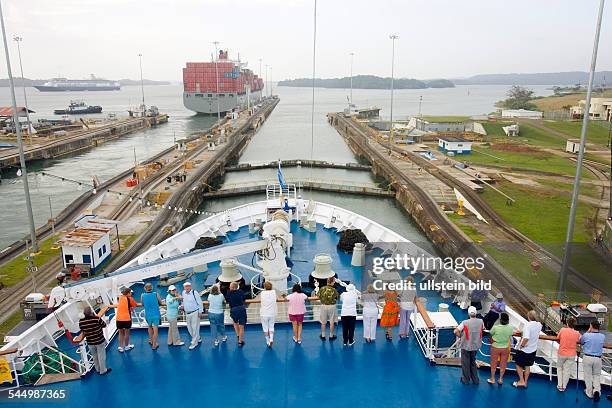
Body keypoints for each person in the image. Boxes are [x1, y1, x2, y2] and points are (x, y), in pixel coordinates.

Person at [74, 306, 111, 375]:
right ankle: (103, 370)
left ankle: (97, 369)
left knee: (94, 356)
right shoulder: (96, 319)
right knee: (101, 355)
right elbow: (104, 325)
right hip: (99, 340)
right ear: (91, 313)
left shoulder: (81, 321)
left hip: (90, 341)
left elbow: (82, 329)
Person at [454, 306, 484, 385]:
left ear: (468, 313)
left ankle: (465, 380)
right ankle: (475, 380)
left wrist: (461, 336)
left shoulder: (465, 322)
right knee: (473, 362)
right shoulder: (481, 321)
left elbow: (455, 331)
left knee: (465, 363)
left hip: (466, 346)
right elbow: (482, 329)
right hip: (476, 346)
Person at [513, 310, 542, 388]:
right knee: (527, 366)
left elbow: (526, 338)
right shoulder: (539, 325)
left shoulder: (527, 325)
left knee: (518, 365)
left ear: (529, 317)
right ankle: (525, 382)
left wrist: (521, 346)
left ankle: (521, 381)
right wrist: (523, 332)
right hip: (533, 349)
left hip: (525, 350)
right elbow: (532, 332)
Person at [580, 320, 605, 401]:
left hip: (588, 357)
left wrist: (588, 331)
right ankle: (597, 390)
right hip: (598, 358)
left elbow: (581, 341)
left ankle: (589, 392)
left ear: (591, 326)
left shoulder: (586, 335)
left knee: (588, 376)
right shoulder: (602, 336)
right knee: (597, 375)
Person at [111, 287, 141, 352]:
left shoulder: (120, 297)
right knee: (127, 333)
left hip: (119, 319)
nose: (131, 294)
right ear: (128, 293)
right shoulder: (130, 298)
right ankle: (127, 346)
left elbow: (124, 305)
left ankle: (120, 347)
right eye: (130, 293)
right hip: (127, 318)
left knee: (120, 333)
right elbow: (135, 305)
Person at [554, 317, 580, 392]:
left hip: (562, 353)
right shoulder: (577, 333)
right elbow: (579, 340)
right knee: (567, 370)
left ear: (567, 323)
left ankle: (559, 385)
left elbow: (558, 337)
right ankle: (564, 386)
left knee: (559, 368)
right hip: (572, 354)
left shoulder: (563, 330)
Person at [488, 312, 514, 385]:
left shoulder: (495, 327)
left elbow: (491, 333)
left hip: (495, 347)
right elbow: (511, 333)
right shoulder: (510, 328)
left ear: (500, 320)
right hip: (505, 348)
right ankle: (500, 379)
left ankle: (492, 379)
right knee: (503, 364)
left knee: (493, 363)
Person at [140, 283, 164, 350]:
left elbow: (142, 304)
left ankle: (151, 340)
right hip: (156, 314)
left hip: (148, 314)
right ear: (152, 287)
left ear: (145, 288)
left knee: (150, 327)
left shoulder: (142, 295)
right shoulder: (156, 294)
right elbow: (161, 303)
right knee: (155, 330)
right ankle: (154, 345)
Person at [181, 282, 203, 350]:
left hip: (195, 313)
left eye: (188, 286)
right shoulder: (183, 292)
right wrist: (182, 306)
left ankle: (194, 343)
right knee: (189, 328)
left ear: (190, 286)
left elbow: (200, 302)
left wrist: (200, 312)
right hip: (187, 313)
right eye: (186, 286)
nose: (187, 288)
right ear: (184, 287)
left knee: (195, 328)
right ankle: (198, 338)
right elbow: (183, 301)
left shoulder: (195, 292)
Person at [260, 281, 281, 348]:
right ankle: (271, 339)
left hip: (264, 313)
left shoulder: (262, 293)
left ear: (264, 287)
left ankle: (267, 341)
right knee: (271, 326)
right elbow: (277, 299)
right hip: (272, 313)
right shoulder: (273, 292)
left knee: (265, 327)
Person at [226, 282, 247, 347]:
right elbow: (244, 299)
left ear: (232, 287)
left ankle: (238, 335)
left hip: (233, 310)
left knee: (235, 323)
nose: (229, 287)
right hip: (241, 309)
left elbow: (227, 300)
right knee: (241, 326)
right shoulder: (240, 291)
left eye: (230, 286)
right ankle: (240, 342)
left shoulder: (228, 293)